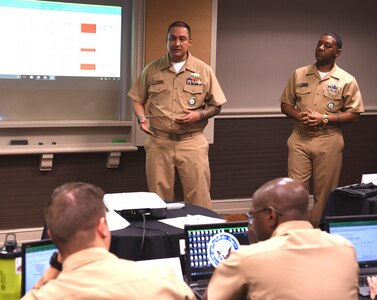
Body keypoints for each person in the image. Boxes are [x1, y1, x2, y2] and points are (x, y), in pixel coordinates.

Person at [21, 182, 195, 300]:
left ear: (50, 235)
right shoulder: (163, 280)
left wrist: (53, 269)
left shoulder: (43, 296)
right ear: (103, 227)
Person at [203, 177, 359, 300]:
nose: (251, 224)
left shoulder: (246, 258)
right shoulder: (345, 248)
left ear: (271, 215)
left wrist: (252, 250)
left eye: (252, 216)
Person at [128, 21, 226, 209]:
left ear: (190, 42)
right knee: (158, 200)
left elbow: (216, 106)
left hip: (192, 142)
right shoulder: (152, 69)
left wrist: (198, 116)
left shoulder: (204, 70)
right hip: (159, 142)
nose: (177, 43)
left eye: (182, 39)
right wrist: (141, 118)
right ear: (166, 41)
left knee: (199, 198)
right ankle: (164, 238)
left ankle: (199, 234)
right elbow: (137, 100)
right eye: (172, 38)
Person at [280, 32, 364, 227]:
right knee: (295, 190)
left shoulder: (346, 80)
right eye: (319, 44)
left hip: (329, 140)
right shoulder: (299, 73)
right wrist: (301, 116)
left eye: (327, 45)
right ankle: (296, 230)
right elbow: (285, 105)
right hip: (299, 138)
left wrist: (324, 118)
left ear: (338, 52)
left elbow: (354, 114)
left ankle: (318, 231)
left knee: (325, 193)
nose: (321, 48)